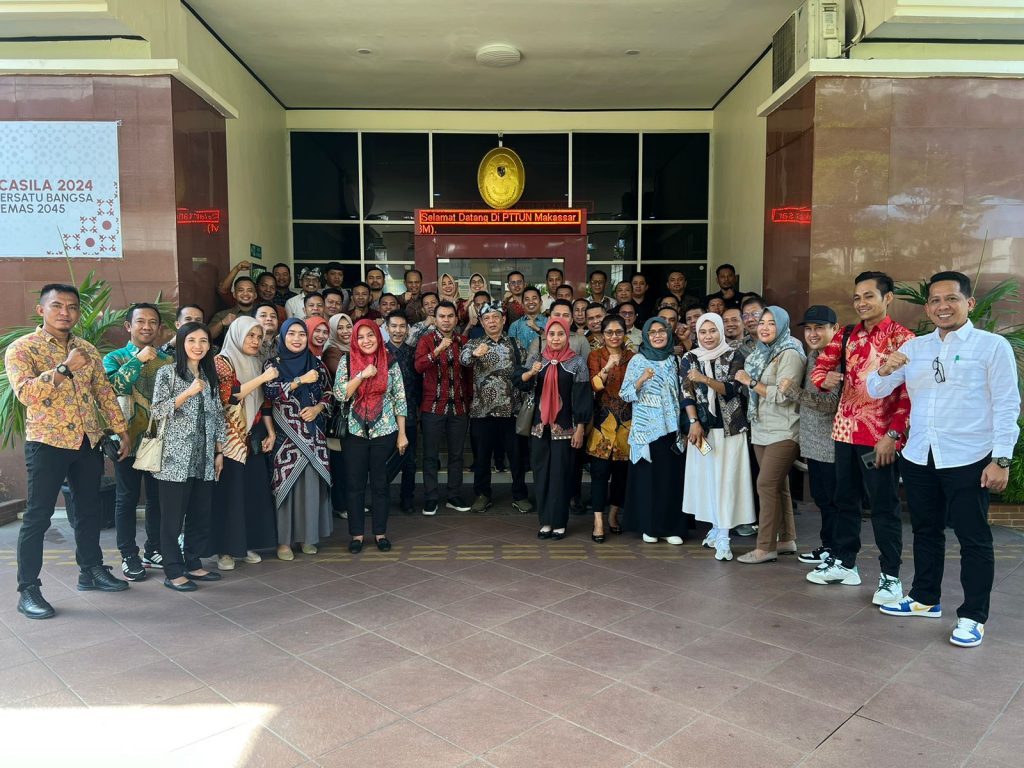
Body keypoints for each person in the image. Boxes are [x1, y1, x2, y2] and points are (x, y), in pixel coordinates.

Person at [871, 271, 1020, 648]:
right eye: (935, 300)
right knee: (925, 530)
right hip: (920, 455)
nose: (942, 306)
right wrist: (885, 369)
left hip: (968, 457)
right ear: (927, 308)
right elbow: (876, 388)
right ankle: (925, 598)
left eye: (951, 298)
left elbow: (1007, 405)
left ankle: (973, 616)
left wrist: (1001, 459)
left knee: (973, 538)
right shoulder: (916, 347)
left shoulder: (992, 346)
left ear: (969, 303)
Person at [6, 284, 132, 618]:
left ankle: (90, 570)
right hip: (47, 442)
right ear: (41, 310)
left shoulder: (86, 348)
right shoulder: (23, 348)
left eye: (72, 307)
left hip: (87, 441)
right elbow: (26, 394)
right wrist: (64, 368)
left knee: (88, 511)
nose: (66, 312)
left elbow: (103, 392)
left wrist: (120, 429)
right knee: (38, 516)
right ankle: (28, 589)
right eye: (57, 306)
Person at [807, 271, 913, 603]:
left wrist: (893, 435)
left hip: (879, 437)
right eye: (857, 297)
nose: (862, 303)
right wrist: (824, 379)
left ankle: (890, 577)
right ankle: (845, 563)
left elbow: (908, 395)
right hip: (844, 431)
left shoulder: (903, 338)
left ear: (887, 298)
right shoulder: (846, 334)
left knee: (883, 506)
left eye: (869, 296)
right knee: (845, 500)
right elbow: (820, 368)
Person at [150, 322, 226, 591]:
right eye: (192, 340)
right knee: (172, 518)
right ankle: (173, 570)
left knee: (199, 513)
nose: (198, 346)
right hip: (174, 459)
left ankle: (193, 562)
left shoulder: (210, 376)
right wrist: (187, 393)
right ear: (181, 343)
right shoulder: (167, 373)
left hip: (204, 458)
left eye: (203, 341)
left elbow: (218, 416)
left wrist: (219, 451)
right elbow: (157, 411)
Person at [103, 302, 174, 580]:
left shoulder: (167, 361)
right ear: (128, 326)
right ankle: (128, 555)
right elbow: (114, 388)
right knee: (127, 498)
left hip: (158, 438)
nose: (147, 327)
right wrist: (138, 360)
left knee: (157, 499)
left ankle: (153, 549)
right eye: (141, 321)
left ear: (159, 328)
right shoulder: (115, 358)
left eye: (152, 322)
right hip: (127, 440)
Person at [680, 313, 754, 562]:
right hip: (702, 430)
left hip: (730, 429)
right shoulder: (690, 357)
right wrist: (693, 422)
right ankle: (715, 525)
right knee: (707, 480)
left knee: (727, 481)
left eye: (713, 331)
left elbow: (732, 389)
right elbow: (686, 393)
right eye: (703, 332)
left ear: (721, 331)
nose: (708, 336)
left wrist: (704, 379)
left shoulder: (734, 354)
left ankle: (724, 536)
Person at [734, 306, 805, 564]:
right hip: (762, 428)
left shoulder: (789, 353)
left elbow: (784, 396)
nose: (764, 327)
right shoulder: (762, 352)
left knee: (765, 485)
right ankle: (786, 539)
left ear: (783, 326)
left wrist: (751, 382)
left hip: (784, 430)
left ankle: (765, 547)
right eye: (762, 322)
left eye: (771, 323)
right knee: (778, 485)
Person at [335, 319, 409, 553]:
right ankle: (357, 535)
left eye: (370, 335)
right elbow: (340, 394)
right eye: (360, 337)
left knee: (380, 485)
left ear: (378, 336)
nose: (366, 340)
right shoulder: (347, 361)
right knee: (354, 485)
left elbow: (399, 399)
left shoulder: (390, 361)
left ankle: (380, 533)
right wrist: (362, 375)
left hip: (384, 431)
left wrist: (402, 434)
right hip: (354, 433)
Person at [264, 319, 333, 559]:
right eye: (291, 333)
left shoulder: (317, 364)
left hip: (314, 436)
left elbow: (329, 392)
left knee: (310, 488)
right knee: (285, 488)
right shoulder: (273, 364)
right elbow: (269, 392)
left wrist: (318, 408)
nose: (297, 338)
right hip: (285, 438)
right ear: (282, 337)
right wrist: (300, 381)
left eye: (302, 334)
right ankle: (283, 542)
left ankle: (307, 537)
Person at [212, 317, 279, 570]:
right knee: (229, 495)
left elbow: (264, 403)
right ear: (237, 334)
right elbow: (230, 396)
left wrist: (270, 433)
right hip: (229, 440)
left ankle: (246, 544)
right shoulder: (222, 361)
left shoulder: (257, 363)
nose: (255, 341)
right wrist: (263, 378)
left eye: (259, 337)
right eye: (250, 335)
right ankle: (225, 550)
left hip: (253, 437)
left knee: (251, 493)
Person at [516, 318, 591, 539]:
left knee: (561, 475)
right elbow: (520, 383)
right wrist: (531, 372)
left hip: (565, 429)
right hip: (539, 428)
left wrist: (580, 428)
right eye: (552, 334)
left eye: (560, 334)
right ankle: (545, 521)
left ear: (567, 336)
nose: (556, 338)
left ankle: (559, 522)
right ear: (545, 336)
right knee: (541, 475)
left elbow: (582, 398)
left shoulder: (577, 363)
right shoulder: (537, 359)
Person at [779, 306, 842, 566]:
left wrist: (794, 392)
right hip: (814, 444)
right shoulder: (814, 355)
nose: (813, 333)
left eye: (819, 328)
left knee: (834, 503)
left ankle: (838, 554)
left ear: (834, 329)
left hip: (831, 445)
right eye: (808, 328)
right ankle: (828, 547)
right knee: (823, 500)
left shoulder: (836, 359)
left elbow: (830, 404)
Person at [619, 317, 686, 545]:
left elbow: (683, 393)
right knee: (648, 480)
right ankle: (649, 527)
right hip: (646, 431)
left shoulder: (675, 360)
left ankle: (670, 528)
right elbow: (625, 394)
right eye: (652, 332)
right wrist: (641, 379)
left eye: (661, 331)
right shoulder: (638, 360)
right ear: (646, 336)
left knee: (670, 479)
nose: (657, 335)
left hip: (671, 428)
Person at [461, 302, 531, 514]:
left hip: (512, 409)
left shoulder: (515, 343)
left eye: (495, 317)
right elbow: (463, 360)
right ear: (481, 323)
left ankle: (520, 495)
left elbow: (525, 372)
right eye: (487, 318)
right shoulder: (474, 343)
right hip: (483, 411)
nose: (491, 321)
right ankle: (482, 495)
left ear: (503, 320)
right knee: (482, 457)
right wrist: (475, 354)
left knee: (517, 457)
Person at [415, 300, 472, 515]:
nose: (446, 320)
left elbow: (469, 374)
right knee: (430, 455)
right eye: (442, 316)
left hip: (458, 408)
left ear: (456, 319)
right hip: (432, 407)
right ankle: (431, 497)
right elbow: (419, 366)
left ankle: (453, 496)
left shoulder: (463, 341)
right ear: (435, 319)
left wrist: (469, 401)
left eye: (450, 316)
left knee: (456, 455)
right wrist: (438, 350)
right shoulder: (426, 340)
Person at [586, 314, 635, 542]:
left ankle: (613, 515)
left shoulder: (633, 358)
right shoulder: (595, 356)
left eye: (618, 332)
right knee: (599, 473)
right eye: (609, 332)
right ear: (602, 335)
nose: (614, 336)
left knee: (621, 474)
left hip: (627, 422)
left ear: (625, 333)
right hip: (603, 422)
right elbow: (595, 385)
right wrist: (607, 366)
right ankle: (598, 521)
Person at [383, 311, 422, 514]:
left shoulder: (414, 352)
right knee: (383, 461)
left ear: (407, 329)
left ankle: (407, 499)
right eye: (394, 326)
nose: (398, 330)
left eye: (402, 326)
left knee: (409, 461)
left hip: (410, 415)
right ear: (387, 328)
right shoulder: (380, 352)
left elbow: (420, 385)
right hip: (384, 417)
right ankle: (381, 498)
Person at [322, 312, 354, 517]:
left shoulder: (356, 347)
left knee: (352, 462)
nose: (345, 331)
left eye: (348, 327)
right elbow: (344, 377)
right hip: (339, 414)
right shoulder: (332, 351)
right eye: (340, 328)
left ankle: (349, 504)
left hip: (355, 414)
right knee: (340, 463)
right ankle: (340, 505)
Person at [210, 276, 256, 340]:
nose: (245, 293)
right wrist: (222, 323)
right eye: (241, 290)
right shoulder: (222, 315)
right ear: (234, 294)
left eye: (250, 290)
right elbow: (208, 336)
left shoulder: (263, 314)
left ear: (255, 295)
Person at [509, 286, 547, 351]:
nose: (531, 302)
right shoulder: (515, 326)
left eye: (534, 298)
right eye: (527, 299)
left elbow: (554, 343)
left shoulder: (549, 322)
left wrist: (538, 329)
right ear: (522, 304)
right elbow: (510, 350)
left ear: (541, 302)